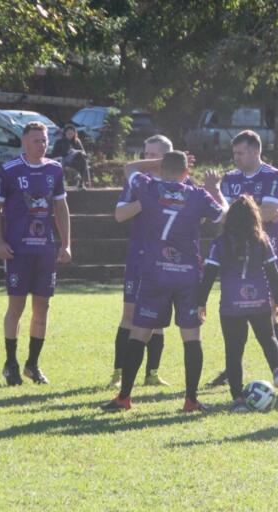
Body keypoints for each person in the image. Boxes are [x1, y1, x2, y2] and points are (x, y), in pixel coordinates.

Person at [101, 151, 227, 412]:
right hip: (188, 275)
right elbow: (224, 216)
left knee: (140, 333)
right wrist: (215, 189)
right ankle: (191, 400)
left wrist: (154, 163)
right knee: (191, 336)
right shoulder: (197, 194)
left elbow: (129, 168)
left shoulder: (148, 186)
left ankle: (124, 397)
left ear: (162, 168)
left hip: (154, 272)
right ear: (186, 173)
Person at [0, 121, 72, 386]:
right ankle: (10, 363)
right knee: (16, 306)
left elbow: (61, 208)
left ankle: (32, 364)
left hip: (45, 250)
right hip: (18, 250)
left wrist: (66, 243)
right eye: (37, 140)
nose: (42, 145)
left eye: (45, 140)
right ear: (24, 142)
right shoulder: (9, 170)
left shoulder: (55, 169)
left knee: (43, 307)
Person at [198, 195, 278, 412]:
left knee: (233, 350)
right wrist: (277, 299)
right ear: (254, 217)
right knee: (268, 337)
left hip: (231, 304)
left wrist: (201, 302)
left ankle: (238, 399)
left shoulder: (220, 243)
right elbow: (272, 273)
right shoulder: (262, 240)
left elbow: (209, 274)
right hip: (258, 300)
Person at [208, 130, 278, 387]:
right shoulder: (229, 179)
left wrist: (236, 215)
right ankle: (232, 370)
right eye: (234, 153)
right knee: (233, 311)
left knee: (271, 312)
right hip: (232, 255)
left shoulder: (273, 176)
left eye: (240, 153)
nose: (236, 158)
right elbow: (225, 215)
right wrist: (252, 214)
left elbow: (270, 210)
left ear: (255, 151)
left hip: (264, 252)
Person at [110, 135, 176, 388]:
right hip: (139, 258)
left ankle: (152, 373)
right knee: (129, 314)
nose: (147, 160)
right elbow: (119, 215)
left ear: (165, 158)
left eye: (152, 155)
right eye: (146, 154)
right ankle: (118, 373)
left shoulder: (180, 180)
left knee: (158, 318)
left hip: (167, 261)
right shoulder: (137, 183)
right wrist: (146, 199)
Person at [51, 124, 90, 189]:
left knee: (83, 160)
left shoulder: (77, 141)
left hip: (75, 161)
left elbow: (83, 152)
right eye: (68, 133)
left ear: (74, 133)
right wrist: (66, 153)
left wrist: (75, 151)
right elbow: (54, 154)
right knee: (79, 157)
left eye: (72, 133)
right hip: (63, 159)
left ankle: (81, 182)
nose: (70, 135)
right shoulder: (60, 141)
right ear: (65, 133)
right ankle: (62, 182)